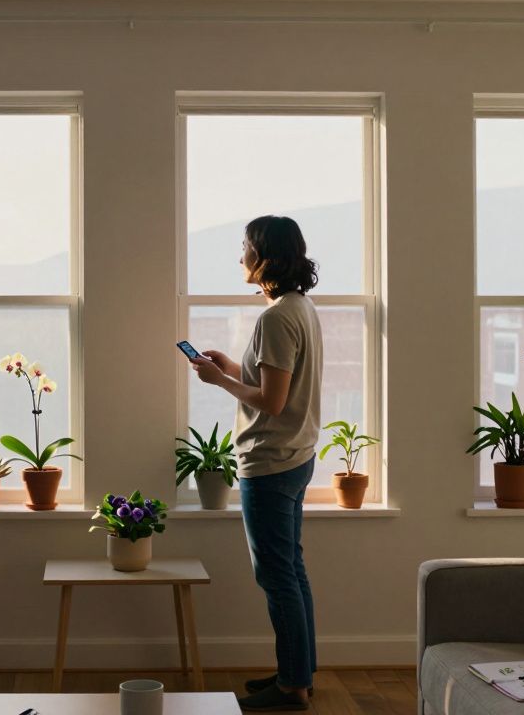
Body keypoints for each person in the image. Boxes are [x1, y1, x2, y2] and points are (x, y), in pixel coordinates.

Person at [191, 214, 322, 712]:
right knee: (293, 570)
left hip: (269, 461)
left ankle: (292, 688)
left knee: (277, 576)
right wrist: (232, 366)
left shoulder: (275, 317)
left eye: (245, 246)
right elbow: (276, 384)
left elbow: (271, 402)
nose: (239, 256)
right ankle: (299, 671)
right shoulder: (299, 307)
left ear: (266, 256)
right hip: (297, 455)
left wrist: (218, 382)